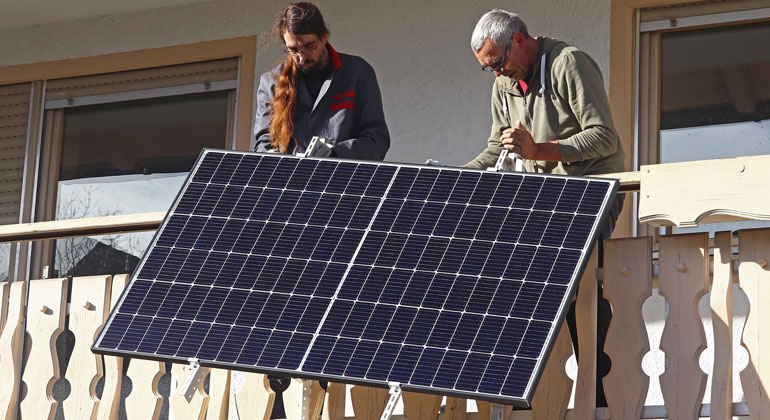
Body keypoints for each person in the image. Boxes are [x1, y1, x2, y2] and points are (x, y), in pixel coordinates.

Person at [468, 10, 625, 406]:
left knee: (578, 284)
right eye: (489, 69)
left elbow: (604, 137)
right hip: (547, 197)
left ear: (519, 40)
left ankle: (597, 385)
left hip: (592, 188)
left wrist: (540, 151)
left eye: (499, 63)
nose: (498, 75)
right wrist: (458, 179)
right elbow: (495, 147)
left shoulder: (568, 63)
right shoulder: (504, 84)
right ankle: (524, 385)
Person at [253, 2, 390, 161]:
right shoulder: (271, 82)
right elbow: (264, 143)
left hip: (345, 180)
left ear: (324, 37)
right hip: (289, 181)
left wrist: (335, 154)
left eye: (309, 46)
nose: (302, 57)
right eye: (294, 50)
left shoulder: (358, 73)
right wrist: (275, 159)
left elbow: (376, 140)